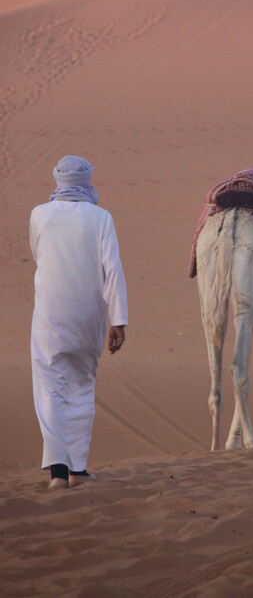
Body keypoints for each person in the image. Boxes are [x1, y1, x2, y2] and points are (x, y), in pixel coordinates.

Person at [30, 155, 128, 489]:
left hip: (50, 315)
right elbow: (112, 269)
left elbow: (38, 253)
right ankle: (79, 469)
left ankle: (58, 471)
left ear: (57, 181)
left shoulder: (39, 215)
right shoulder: (101, 217)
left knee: (50, 387)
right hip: (89, 317)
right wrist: (119, 320)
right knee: (83, 387)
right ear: (87, 181)